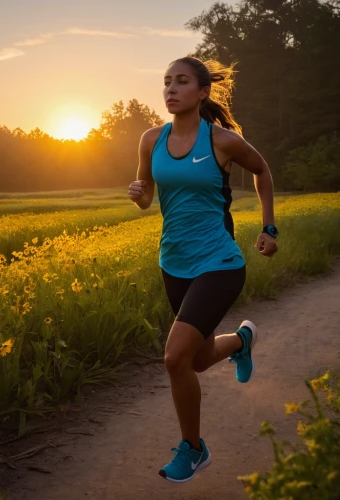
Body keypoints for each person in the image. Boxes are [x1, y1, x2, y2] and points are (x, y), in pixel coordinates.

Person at [127, 56, 278, 484]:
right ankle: (242, 341)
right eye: (166, 83)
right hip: (173, 263)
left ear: (203, 91)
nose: (170, 90)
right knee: (197, 361)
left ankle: (194, 449)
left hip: (219, 262)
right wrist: (138, 192)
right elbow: (146, 197)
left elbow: (262, 170)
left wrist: (269, 226)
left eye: (181, 82)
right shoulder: (150, 140)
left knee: (175, 358)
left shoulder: (221, 141)